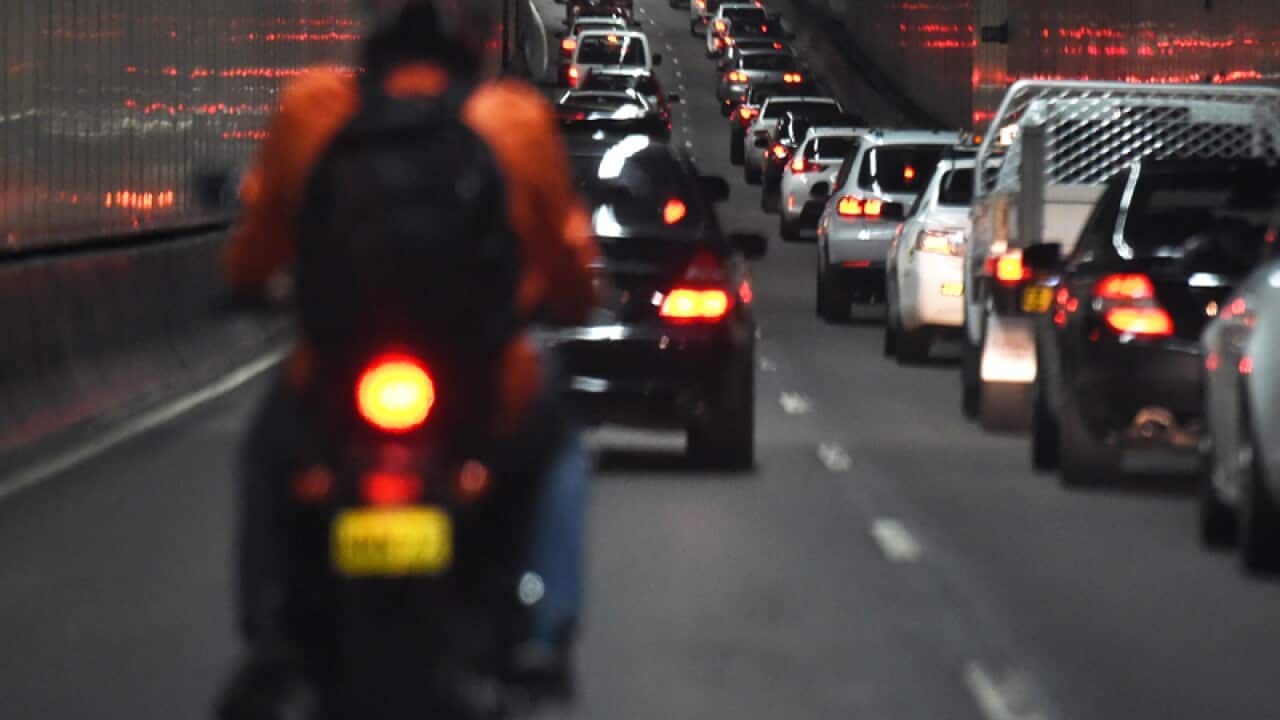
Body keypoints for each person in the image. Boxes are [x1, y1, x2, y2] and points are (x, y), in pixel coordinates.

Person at [222, 0, 598, 700]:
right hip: (479, 385)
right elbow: (568, 257)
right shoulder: (510, 118)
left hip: (337, 383)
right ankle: (543, 634)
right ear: (479, 39)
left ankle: (270, 630)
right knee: (561, 449)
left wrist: (244, 284)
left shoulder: (314, 110)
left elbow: (260, 241)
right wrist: (570, 299)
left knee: (265, 452)